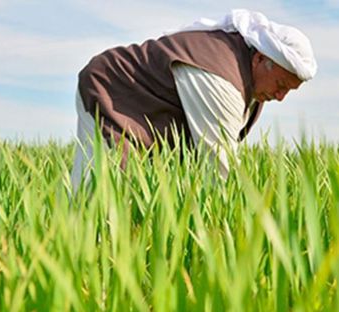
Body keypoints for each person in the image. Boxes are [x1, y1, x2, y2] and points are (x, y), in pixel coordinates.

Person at [70, 9, 317, 192]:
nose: (280, 97)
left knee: (149, 195)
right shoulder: (219, 77)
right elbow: (217, 168)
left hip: (151, 120)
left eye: (288, 91)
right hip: (111, 93)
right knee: (102, 197)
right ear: (260, 59)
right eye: (281, 85)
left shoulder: (250, 79)